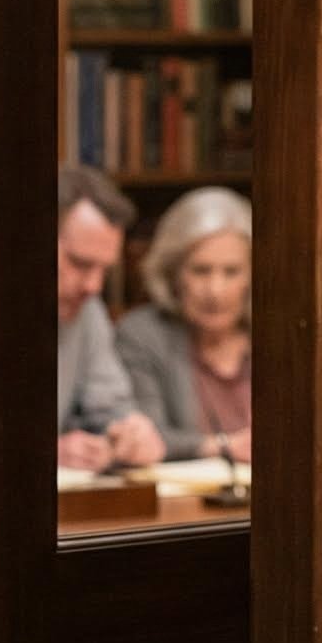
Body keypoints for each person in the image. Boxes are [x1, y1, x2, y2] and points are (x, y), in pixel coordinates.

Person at [0, 163, 166, 470]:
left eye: (105, 270)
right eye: (80, 264)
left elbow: (111, 408)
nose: (94, 286)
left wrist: (130, 436)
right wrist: (37, 453)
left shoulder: (88, 311)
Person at [115, 186, 253, 463]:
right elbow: (145, 437)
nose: (215, 291)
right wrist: (225, 446)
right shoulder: (141, 335)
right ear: (173, 273)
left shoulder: (277, 334)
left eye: (231, 272)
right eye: (201, 271)